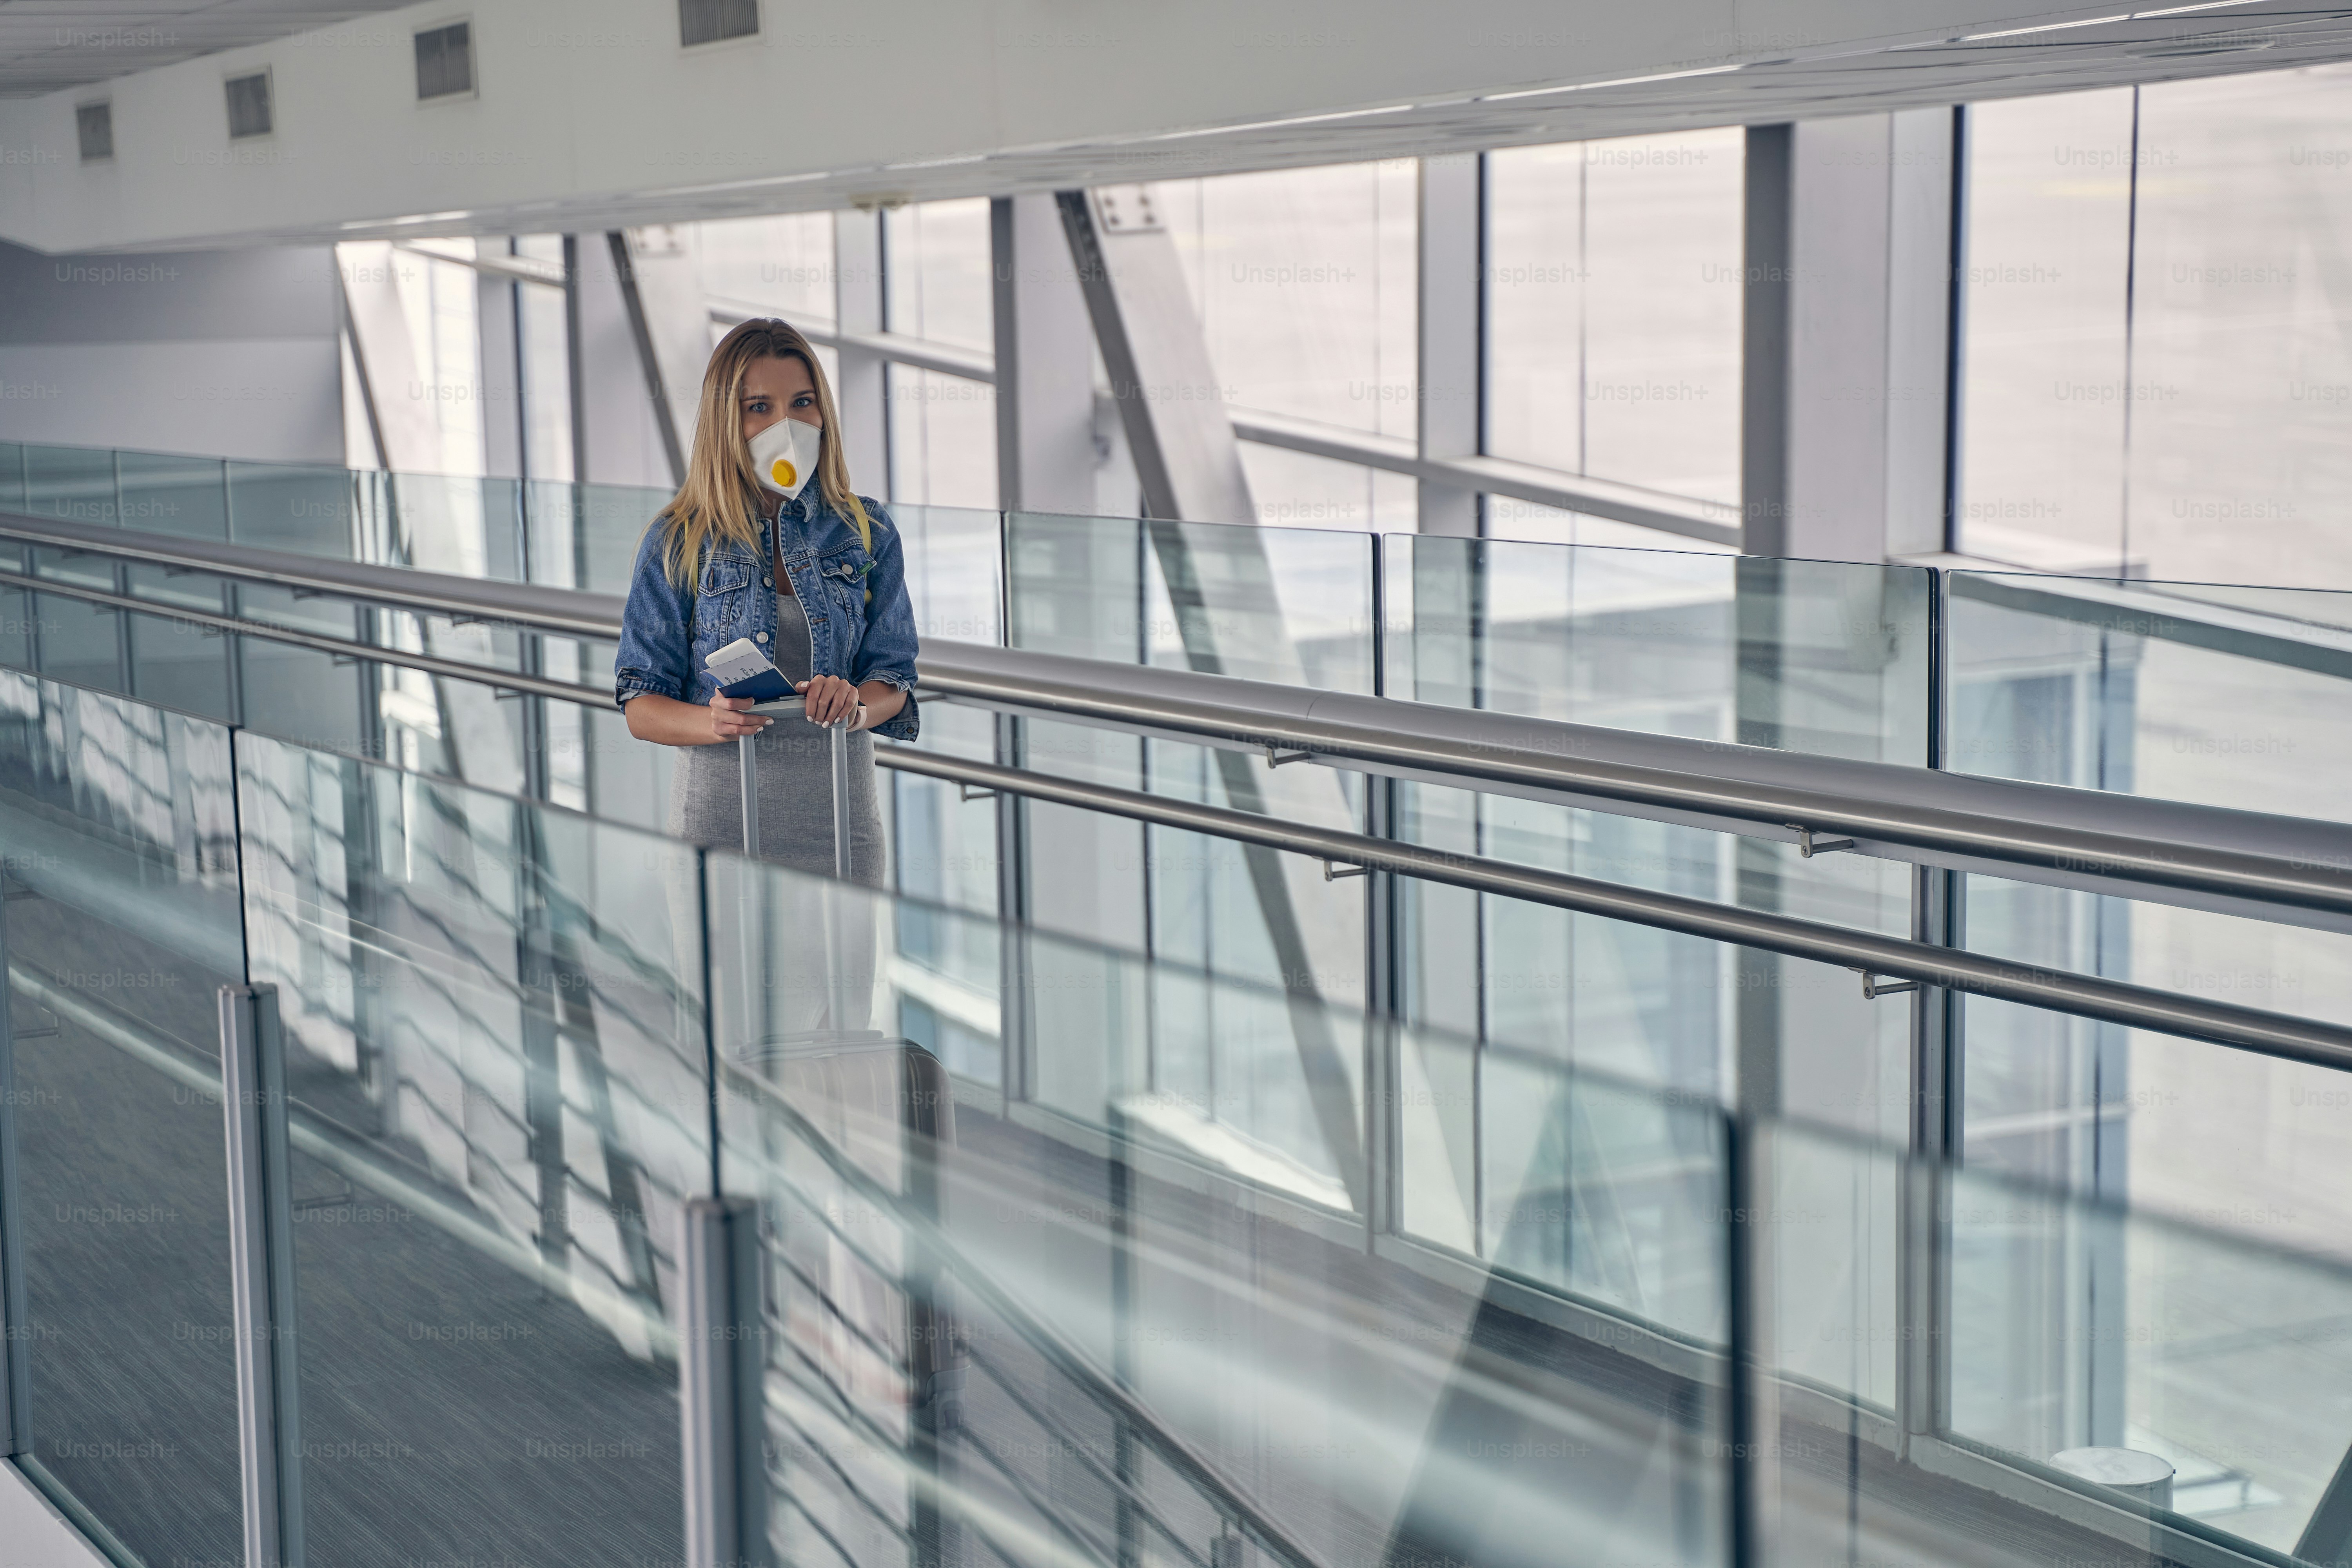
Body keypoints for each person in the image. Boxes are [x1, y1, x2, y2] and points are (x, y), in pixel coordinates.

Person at [613, 316, 919, 890]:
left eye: (802, 402)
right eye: (760, 407)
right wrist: (712, 720)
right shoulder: (679, 541)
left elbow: (895, 678)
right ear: (726, 420)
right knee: (724, 983)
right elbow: (640, 704)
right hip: (721, 822)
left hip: (841, 823)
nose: (787, 424)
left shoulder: (868, 530)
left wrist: (855, 706)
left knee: (844, 983)